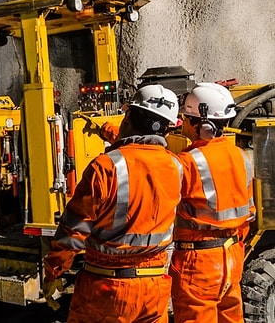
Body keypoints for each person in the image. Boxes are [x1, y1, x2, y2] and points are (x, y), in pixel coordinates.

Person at [43, 84, 183, 323]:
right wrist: (106, 130)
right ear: (167, 131)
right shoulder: (177, 166)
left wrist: (54, 270)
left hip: (107, 289)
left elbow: (74, 228)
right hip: (154, 290)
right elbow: (141, 149)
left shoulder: (105, 167)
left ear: (127, 117)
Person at [169, 82, 255, 323]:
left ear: (201, 124)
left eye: (186, 117)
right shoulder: (240, 156)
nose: (182, 122)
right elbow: (249, 214)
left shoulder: (187, 162)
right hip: (232, 255)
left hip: (199, 262)